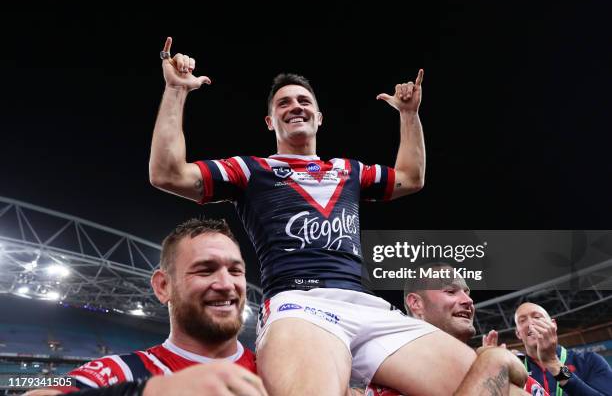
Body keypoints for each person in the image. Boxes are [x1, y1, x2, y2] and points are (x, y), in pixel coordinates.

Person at [149, 37, 477, 395]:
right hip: (299, 305)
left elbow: (411, 178)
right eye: (283, 103)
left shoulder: (350, 171)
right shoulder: (250, 170)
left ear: (319, 118)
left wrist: (409, 115)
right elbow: (168, 173)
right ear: (269, 121)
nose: (295, 107)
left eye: (304, 101)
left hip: (369, 307)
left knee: (496, 386)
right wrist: (176, 90)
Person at [24, 218, 267, 396]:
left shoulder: (275, 370)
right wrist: (153, 390)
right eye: (205, 270)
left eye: (235, 271)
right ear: (163, 286)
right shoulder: (121, 371)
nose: (226, 284)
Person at [363, 264, 539, 396]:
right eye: (450, 291)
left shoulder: (498, 364)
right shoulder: (391, 371)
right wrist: (494, 361)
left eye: (467, 292)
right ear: (416, 303)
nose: (468, 300)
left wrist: (554, 364)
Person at [515, 302, 612, 395]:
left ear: (553, 325)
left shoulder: (588, 361)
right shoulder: (515, 372)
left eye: (537, 317)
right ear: (518, 333)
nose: (530, 323)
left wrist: (554, 364)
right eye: (522, 321)